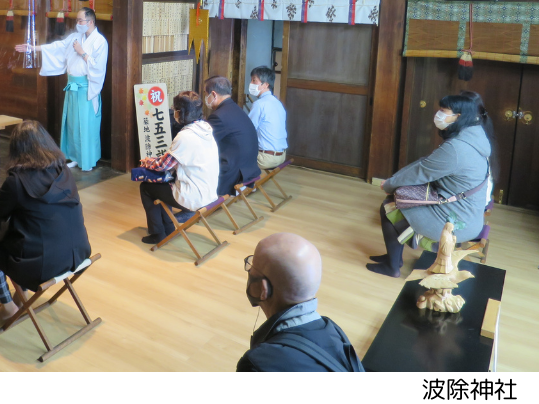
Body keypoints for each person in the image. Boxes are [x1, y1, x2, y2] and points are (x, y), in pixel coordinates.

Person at [367, 91, 494, 278]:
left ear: (459, 116)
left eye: (444, 110)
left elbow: (421, 171)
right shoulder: (474, 135)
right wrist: (394, 181)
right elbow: (425, 164)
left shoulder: (456, 148)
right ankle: (393, 258)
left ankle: (392, 265)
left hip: (457, 218)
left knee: (389, 208)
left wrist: (389, 184)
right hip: (464, 210)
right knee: (396, 197)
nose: (439, 114)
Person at [0, 120, 91, 321]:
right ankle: (22, 296)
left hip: (42, 265)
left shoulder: (17, 182)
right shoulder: (63, 170)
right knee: (26, 229)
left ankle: (7, 306)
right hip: (78, 253)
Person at [237, 233, 364, 372]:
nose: (249, 270)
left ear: (263, 289)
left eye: (252, 266)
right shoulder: (333, 330)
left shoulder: (257, 364)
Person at [16, 7, 108, 172]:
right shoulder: (75, 37)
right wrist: (33, 48)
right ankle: (74, 156)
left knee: (86, 125)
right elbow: (57, 47)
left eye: (81, 21)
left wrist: (82, 53)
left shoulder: (100, 41)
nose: (78, 24)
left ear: (91, 22)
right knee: (72, 123)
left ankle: (87, 160)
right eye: (77, 21)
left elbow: (98, 67)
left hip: (87, 87)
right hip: (72, 85)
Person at [137, 91, 219, 244]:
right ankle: (168, 227)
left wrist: (147, 161)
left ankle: (158, 233)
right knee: (161, 184)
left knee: (146, 187)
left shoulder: (185, 136)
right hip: (209, 191)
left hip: (193, 196)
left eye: (175, 109)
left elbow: (162, 165)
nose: (173, 112)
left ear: (180, 113)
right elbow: (172, 160)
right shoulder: (205, 129)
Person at [204, 75, 261, 196]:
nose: (206, 98)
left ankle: (192, 207)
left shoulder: (218, 116)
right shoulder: (235, 109)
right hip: (249, 168)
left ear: (213, 94)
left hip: (233, 173)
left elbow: (204, 144)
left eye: (206, 94)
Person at [247, 66, 288, 170]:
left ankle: (246, 186)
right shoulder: (278, 103)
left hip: (266, 158)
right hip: (281, 156)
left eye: (254, 80)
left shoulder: (259, 104)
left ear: (265, 84)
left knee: (231, 155)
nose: (251, 83)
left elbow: (248, 130)